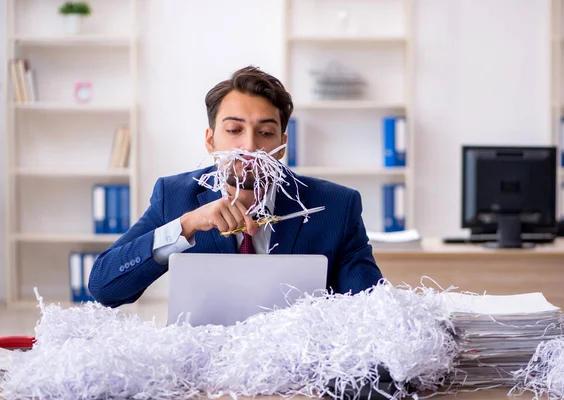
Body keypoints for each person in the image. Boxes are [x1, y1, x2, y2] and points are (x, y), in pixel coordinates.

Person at [89, 66, 383, 307]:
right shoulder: (175, 196)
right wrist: (186, 225)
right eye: (233, 130)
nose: (250, 146)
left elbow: (371, 307)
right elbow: (104, 288)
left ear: (281, 145)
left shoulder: (336, 206)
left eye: (265, 132)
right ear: (210, 140)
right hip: (202, 369)